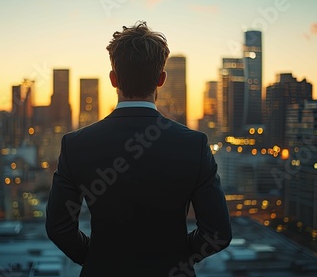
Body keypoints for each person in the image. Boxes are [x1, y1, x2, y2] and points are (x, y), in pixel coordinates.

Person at [45, 21, 231, 277]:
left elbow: (59, 228)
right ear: (161, 79)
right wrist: (177, 255)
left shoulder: (76, 144)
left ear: (113, 79)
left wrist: (97, 259)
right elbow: (218, 233)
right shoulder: (194, 145)